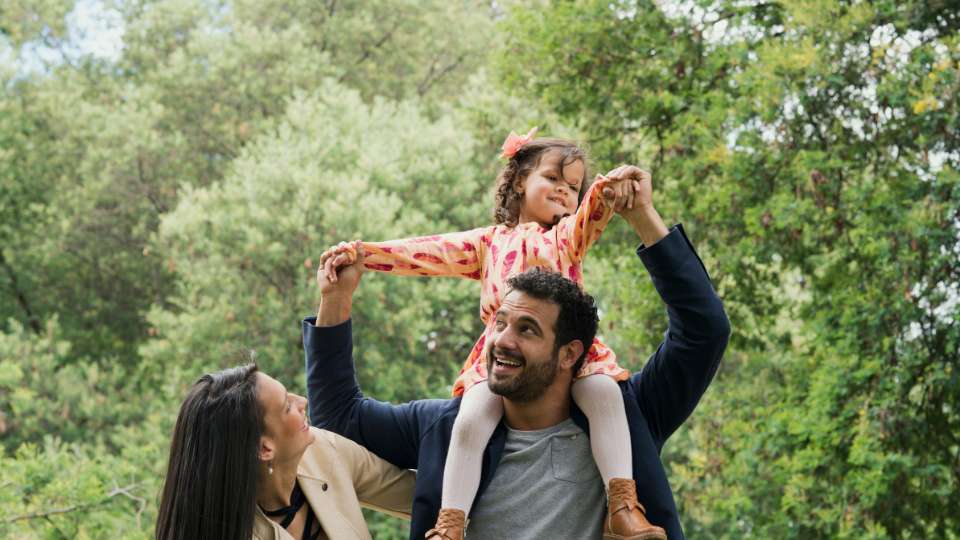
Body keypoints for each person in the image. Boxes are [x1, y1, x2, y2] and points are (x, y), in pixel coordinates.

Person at [306, 166, 730, 540]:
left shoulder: (629, 415)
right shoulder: (447, 429)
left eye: (527, 329)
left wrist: (639, 215)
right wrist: (337, 300)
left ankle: (625, 508)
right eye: (499, 324)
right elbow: (338, 420)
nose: (502, 341)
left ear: (570, 354)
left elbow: (704, 330)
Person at [155, 363, 416, 540]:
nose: (302, 402)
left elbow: (417, 493)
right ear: (264, 448)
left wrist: (457, 418)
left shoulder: (323, 451)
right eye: (286, 406)